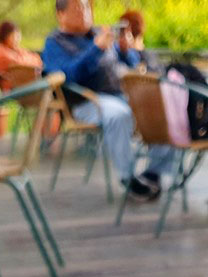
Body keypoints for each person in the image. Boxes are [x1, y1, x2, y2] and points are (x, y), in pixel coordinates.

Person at [41, 0, 173, 201]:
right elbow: (67, 76)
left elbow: (133, 64)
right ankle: (128, 179)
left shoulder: (97, 35)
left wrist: (127, 50)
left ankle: (153, 173)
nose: (85, 13)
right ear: (61, 14)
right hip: (85, 103)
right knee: (119, 115)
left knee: (162, 108)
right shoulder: (55, 43)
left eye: (86, 7)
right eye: (78, 9)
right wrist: (95, 50)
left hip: (121, 95)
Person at [0, 20, 42, 91]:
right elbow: (16, 63)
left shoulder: (16, 49)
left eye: (18, 36)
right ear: (5, 36)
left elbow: (37, 59)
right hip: (12, 88)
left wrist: (25, 59)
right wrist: (28, 61)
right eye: (13, 36)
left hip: (25, 85)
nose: (17, 39)